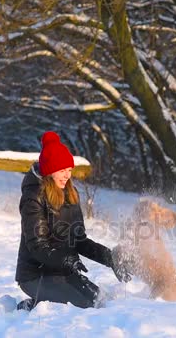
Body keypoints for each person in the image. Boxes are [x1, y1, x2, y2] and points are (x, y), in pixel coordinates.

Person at [15, 131, 131, 310]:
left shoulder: (70, 194)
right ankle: (31, 307)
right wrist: (66, 260)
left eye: (69, 170)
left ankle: (50, 298)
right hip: (35, 275)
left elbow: (79, 240)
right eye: (62, 170)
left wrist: (110, 258)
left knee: (102, 302)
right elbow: (37, 247)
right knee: (83, 307)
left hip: (64, 272)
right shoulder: (33, 198)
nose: (67, 175)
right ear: (49, 170)